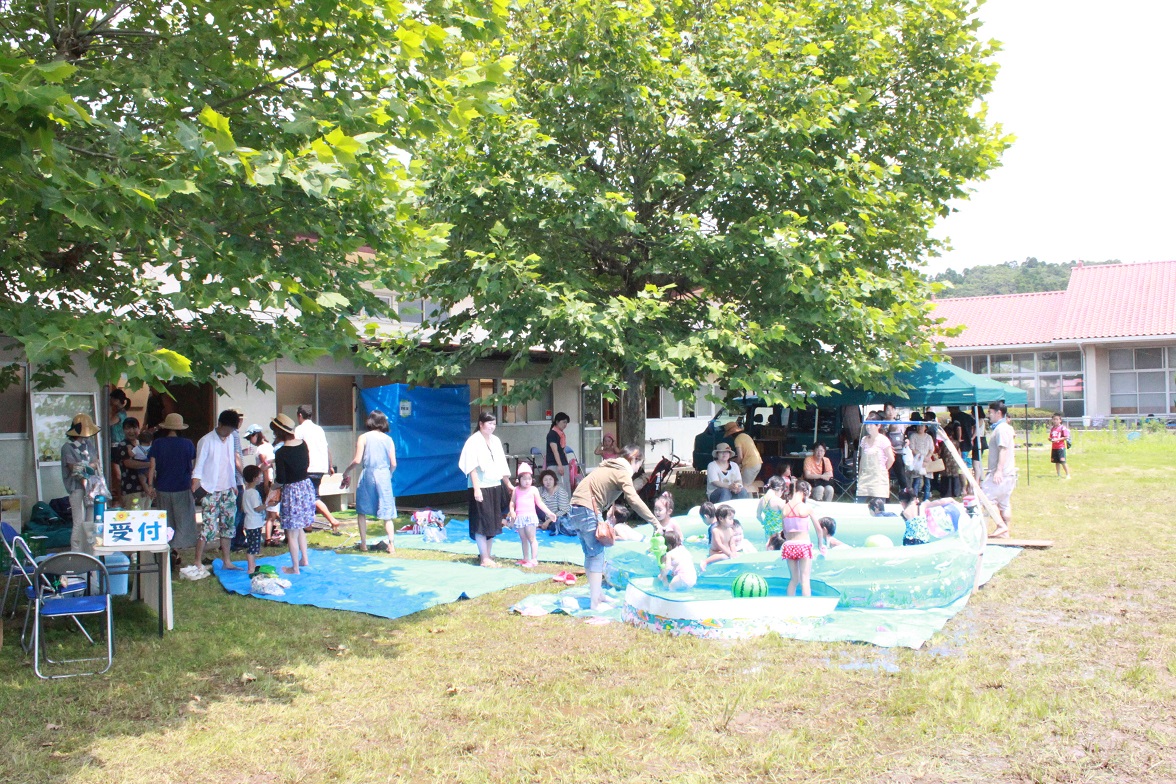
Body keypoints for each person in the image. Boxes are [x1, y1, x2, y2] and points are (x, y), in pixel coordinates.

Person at [568, 443, 658, 609]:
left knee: (590, 554)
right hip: (587, 509)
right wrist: (654, 522)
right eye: (639, 463)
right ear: (634, 460)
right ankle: (595, 602)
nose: (638, 468)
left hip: (575, 508)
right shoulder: (622, 471)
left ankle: (598, 594)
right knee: (597, 555)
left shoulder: (610, 465)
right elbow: (633, 499)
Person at [458, 412, 514, 568]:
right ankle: (484, 557)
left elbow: (501, 464)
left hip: (494, 484)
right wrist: (477, 489)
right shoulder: (473, 441)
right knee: (481, 521)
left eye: (494, 424)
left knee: (493, 521)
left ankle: (488, 554)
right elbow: (471, 467)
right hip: (480, 486)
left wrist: (508, 484)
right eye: (489, 423)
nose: (492, 426)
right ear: (481, 424)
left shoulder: (495, 440)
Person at [192, 410, 243, 572]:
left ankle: (227, 561)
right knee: (208, 528)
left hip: (228, 489)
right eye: (227, 429)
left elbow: (230, 462)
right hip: (210, 490)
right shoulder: (206, 440)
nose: (229, 433)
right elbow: (199, 466)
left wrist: (234, 483)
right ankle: (197, 561)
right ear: (219, 424)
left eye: (232, 430)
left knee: (228, 527)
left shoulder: (230, 439)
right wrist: (195, 486)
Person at [341, 410, 398, 553]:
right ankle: (391, 544)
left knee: (362, 510)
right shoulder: (389, 439)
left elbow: (357, 460)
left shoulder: (363, 437)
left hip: (368, 474)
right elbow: (393, 463)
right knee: (387, 513)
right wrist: (389, 474)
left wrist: (346, 472)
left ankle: (364, 544)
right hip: (384, 475)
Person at [147, 412, 198, 562]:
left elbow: (152, 467)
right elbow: (194, 466)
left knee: (166, 520)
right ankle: (176, 548)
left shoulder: (157, 443)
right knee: (183, 520)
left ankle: (169, 549)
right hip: (182, 486)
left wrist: (150, 486)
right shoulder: (188, 444)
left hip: (162, 487)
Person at [271, 413, 314, 574]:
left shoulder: (281, 452)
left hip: (291, 491)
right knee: (300, 527)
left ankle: (295, 567)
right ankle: (304, 560)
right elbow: (306, 464)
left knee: (291, 532)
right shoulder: (303, 444)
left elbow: (281, 479)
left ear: (279, 432)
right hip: (305, 487)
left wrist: (272, 488)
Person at [294, 404, 342, 533]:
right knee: (309, 496)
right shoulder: (319, 429)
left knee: (312, 497)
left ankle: (332, 520)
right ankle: (308, 524)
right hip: (320, 467)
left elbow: (296, 448)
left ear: (300, 415)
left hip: (307, 467)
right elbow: (326, 448)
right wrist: (330, 465)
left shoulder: (299, 429)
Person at [61, 413, 102, 555]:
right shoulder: (67, 447)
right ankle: (76, 552)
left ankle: (89, 551)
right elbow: (74, 469)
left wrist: (86, 466)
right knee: (78, 522)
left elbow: (95, 463)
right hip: (77, 488)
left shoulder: (89, 445)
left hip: (91, 488)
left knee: (90, 521)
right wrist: (88, 466)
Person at [778, 480, 827, 597]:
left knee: (794, 580)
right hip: (803, 545)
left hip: (789, 546)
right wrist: (821, 545)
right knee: (805, 580)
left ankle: (789, 604)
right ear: (804, 492)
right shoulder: (806, 508)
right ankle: (807, 606)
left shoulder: (784, 508)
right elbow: (819, 529)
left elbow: (784, 531)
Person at [981, 401, 1017, 538]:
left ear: (998, 413)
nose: (988, 415)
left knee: (986, 499)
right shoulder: (1006, 428)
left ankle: (1001, 525)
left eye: (990, 412)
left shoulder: (1001, 429)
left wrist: (999, 471)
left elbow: (1003, 450)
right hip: (1008, 473)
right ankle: (1005, 532)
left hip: (1001, 473)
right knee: (1004, 503)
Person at [509, 462, 555, 567]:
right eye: (524, 479)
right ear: (519, 479)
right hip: (520, 517)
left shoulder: (533, 490)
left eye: (529, 479)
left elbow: (540, 503)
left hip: (530, 517)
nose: (527, 481)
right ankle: (525, 558)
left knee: (531, 538)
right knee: (523, 538)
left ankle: (534, 559)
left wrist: (549, 513)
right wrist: (512, 511)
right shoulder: (516, 490)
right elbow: (512, 502)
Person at [856, 412, 894, 505]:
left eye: (871, 424)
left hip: (878, 479)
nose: (868, 427)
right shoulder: (864, 440)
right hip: (865, 477)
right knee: (859, 504)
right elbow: (862, 458)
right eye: (867, 424)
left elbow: (891, 459)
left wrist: (883, 469)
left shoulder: (883, 440)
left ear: (878, 425)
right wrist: (860, 473)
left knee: (878, 506)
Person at [111, 417, 150, 509]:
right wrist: (149, 464)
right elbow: (128, 463)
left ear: (139, 429)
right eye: (128, 428)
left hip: (146, 489)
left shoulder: (142, 444)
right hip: (132, 488)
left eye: (134, 428)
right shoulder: (123, 445)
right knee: (135, 516)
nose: (131, 431)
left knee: (147, 515)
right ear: (123, 430)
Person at [240, 465, 266, 574]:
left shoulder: (246, 491)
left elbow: (242, 508)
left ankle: (253, 565)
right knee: (253, 547)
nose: (262, 478)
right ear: (255, 478)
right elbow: (257, 508)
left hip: (249, 522)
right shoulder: (254, 493)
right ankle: (251, 568)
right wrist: (267, 505)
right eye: (260, 476)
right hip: (254, 523)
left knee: (252, 545)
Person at [725, 421, 762, 488]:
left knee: (743, 487)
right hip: (758, 463)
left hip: (750, 464)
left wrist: (733, 465)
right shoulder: (746, 436)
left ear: (731, 434)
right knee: (748, 485)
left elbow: (740, 457)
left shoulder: (737, 439)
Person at [883, 403, 911, 493]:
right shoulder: (882, 424)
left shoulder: (899, 423)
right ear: (884, 411)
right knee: (885, 475)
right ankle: (885, 496)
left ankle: (906, 494)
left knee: (902, 476)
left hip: (898, 453)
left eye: (892, 410)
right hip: (885, 454)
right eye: (888, 410)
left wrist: (906, 440)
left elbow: (903, 435)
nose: (890, 412)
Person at [701, 504, 738, 569]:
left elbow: (732, 544)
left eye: (733, 518)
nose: (732, 521)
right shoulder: (716, 530)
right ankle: (705, 562)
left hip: (726, 551)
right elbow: (719, 545)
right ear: (721, 518)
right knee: (724, 556)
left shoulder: (730, 530)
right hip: (715, 553)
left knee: (736, 553)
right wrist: (729, 554)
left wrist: (733, 552)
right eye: (730, 519)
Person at [538, 469, 572, 536]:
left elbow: (564, 510)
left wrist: (548, 521)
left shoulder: (560, 491)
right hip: (545, 517)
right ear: (542, 481)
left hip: (557, 518)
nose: (548, 482)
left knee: (556, 524)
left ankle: (549, 525)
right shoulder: (540, 490)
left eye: (550, 479)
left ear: (554, 480)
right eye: (545, 480)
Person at [908, 421, 935, 502]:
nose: (920, 428)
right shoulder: (913, 436)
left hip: (927, 460)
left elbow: (931, 449)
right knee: (916, 480)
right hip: (917, 460)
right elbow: (912, 449)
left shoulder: (929, 437)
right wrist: (921, 458)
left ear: (925, 427)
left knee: (927, 481)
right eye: (918, 426)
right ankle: (915, 498)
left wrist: (927, 457)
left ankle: (926, 499)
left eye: (922, 426)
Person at [545, 412, 572, 492]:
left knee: (566, 484)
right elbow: (555, 451)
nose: (565, 425)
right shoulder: (552, 434)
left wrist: (566, 463)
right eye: (563, 422)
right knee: (558, 486)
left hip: (563, 463)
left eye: (566, 423)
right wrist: (560, 465)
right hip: (554, 464)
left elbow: (563, 450)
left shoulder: (561, 434)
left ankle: (566, 500)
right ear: (557, 422)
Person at [757, 475, 787, 541]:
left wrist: (763, 523)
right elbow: (786, 517)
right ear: (780, 489)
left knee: (769, 546)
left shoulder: (762, 499)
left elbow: (758, 516)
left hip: (767, 531)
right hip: (779, 532)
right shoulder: (779, 501)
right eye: (783, 491)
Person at [1049, 413, 1071, 479]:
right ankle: (1058, 474)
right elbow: (1051, 436)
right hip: (1054, 447)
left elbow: (1066, 437)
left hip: (1060, 447)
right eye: (1054, 419)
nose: (1055, 421)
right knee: (1056, 462)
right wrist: (1050, 439)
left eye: (1057, 419)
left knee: (1063, 461)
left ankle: (1068, 474)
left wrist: (1057, 439)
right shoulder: (1052, 428)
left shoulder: (1062, 428)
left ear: (1060, 420)